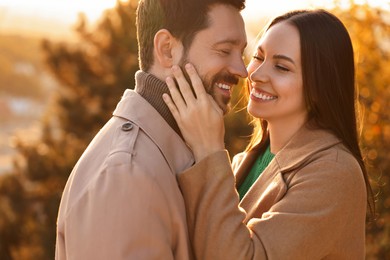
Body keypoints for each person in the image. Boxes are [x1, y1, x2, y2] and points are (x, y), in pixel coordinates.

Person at [163, 9, 374, 259]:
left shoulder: (335, 173)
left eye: (282, 67)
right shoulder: (246, 160)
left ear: (320, 85)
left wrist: (208, 149)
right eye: (258, 57)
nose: (256, 74)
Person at [55, 0, 248, 259]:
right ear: (167, 50)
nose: (242, 70)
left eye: (242, 53)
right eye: (225, 51)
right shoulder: (127, 176)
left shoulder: (172, 153)